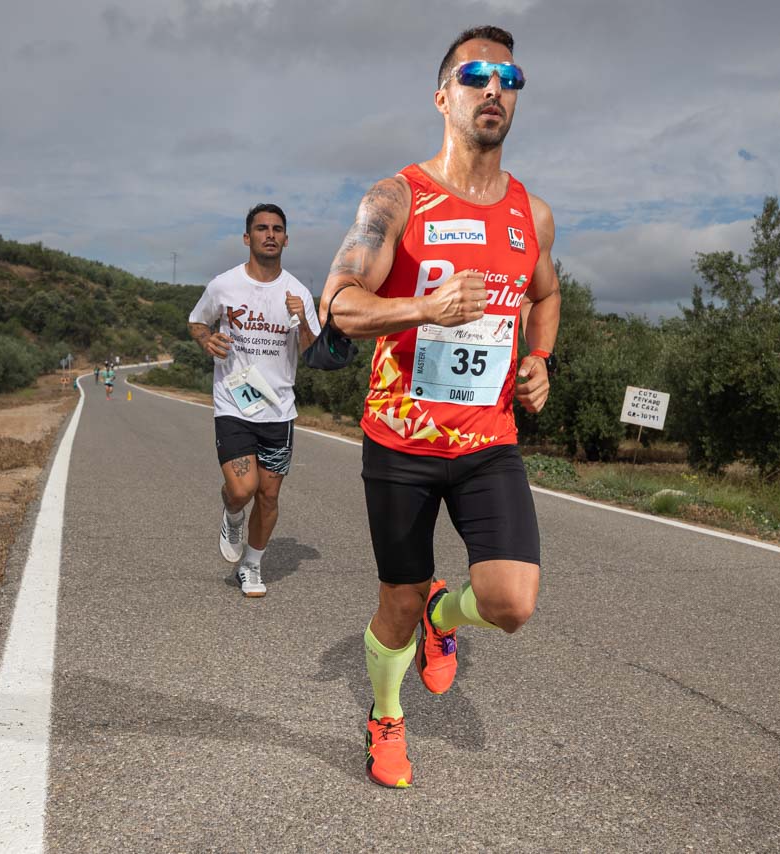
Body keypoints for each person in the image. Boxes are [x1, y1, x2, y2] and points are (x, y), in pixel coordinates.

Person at [318, 25, 560, 788]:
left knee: (511, 601)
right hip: (402, 439)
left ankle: (442, 619)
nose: (494, 88)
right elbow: (340, 306)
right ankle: (385, 717)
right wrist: (423, 308)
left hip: (489, 439)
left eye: (509, 78)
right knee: (393, 598)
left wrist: (538, 360)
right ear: (443, 96)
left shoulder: (533, 213)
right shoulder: (396, 198)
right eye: (476, 75)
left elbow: (545, 293)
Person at [188, 203, 319, 597]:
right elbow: (196, 322)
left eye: (277, 229)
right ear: (248, 238)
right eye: (261, 228)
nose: (270, 234)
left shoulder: (297, 293)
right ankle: (231, 513)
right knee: (243, 490)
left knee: (269, 495)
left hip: (278, 409)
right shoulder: (224, 285)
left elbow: (311, 354)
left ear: (286, 238)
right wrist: (206, 339)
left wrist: (302, 322)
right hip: (234, 401)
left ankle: (251, 565)